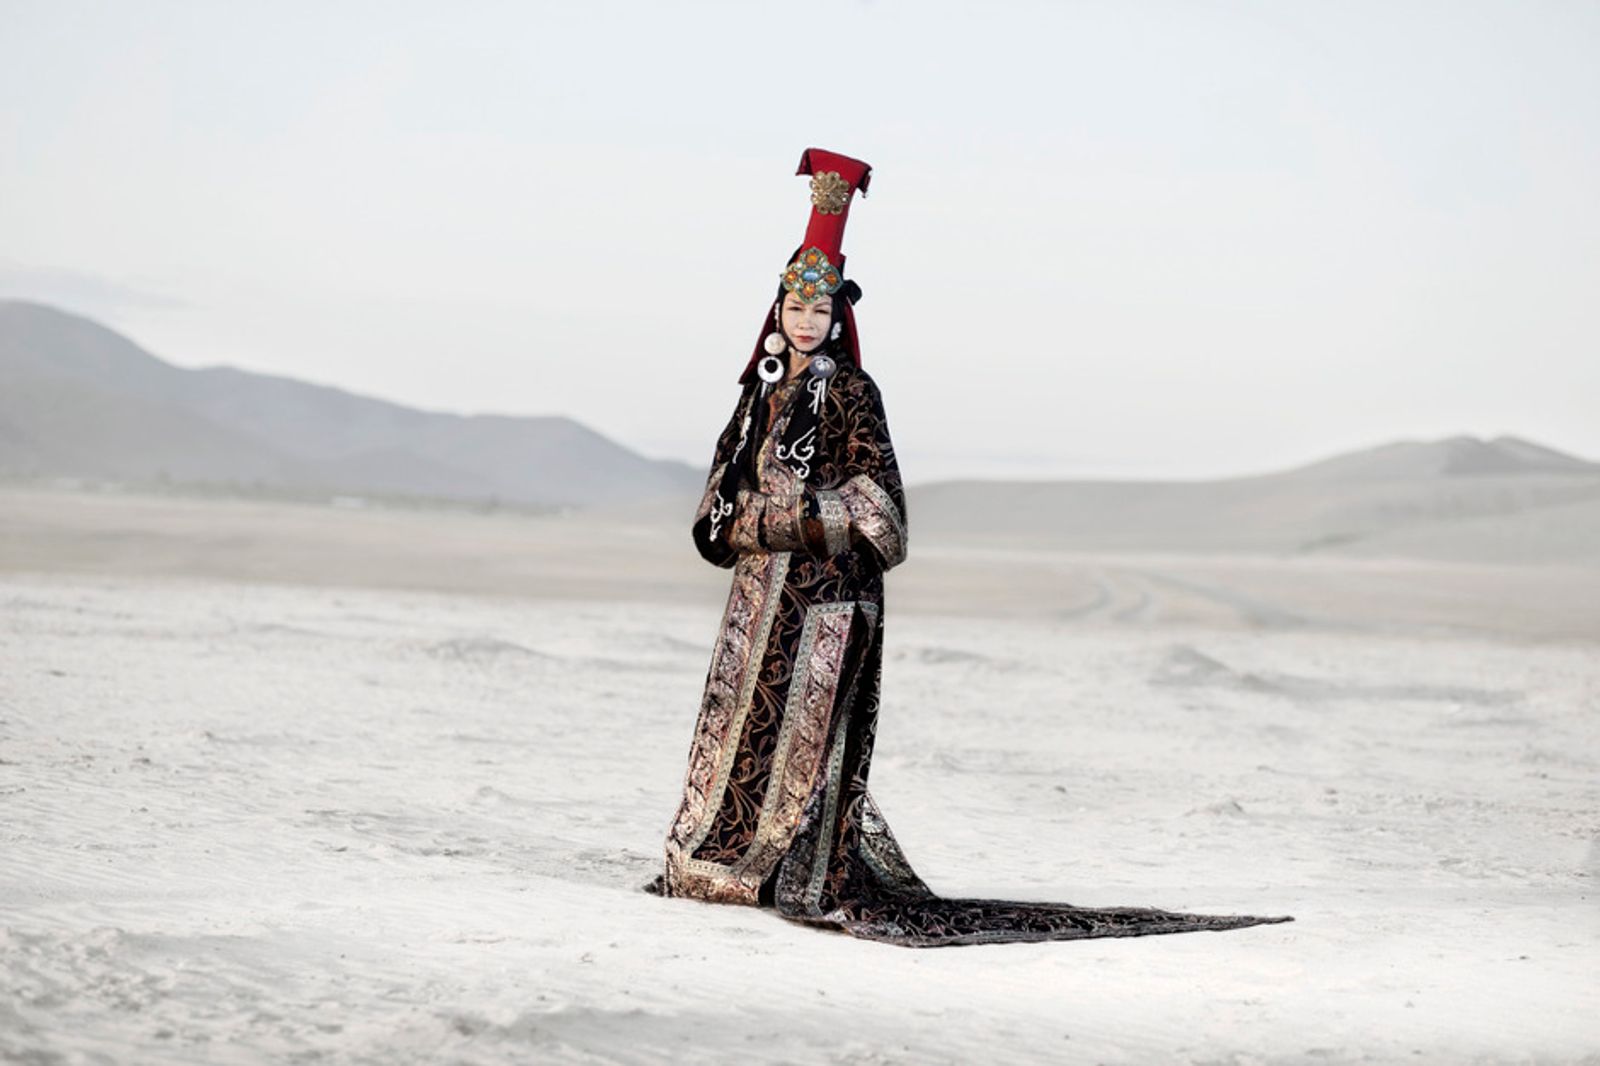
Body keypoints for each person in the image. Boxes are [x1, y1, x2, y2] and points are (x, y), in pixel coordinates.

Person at [643, 148, 1292, 947]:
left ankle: (786, 877)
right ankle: (721, 866)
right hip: (754, 613)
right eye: (793, 309)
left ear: (837, 316)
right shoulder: (757, 398)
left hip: (821, 613)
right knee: (742, 740)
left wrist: (776, 520)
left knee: (808, 754)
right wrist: (747, 522)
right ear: (775, 310)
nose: (804, 322)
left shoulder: (851, 394)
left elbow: (883, 517)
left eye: (819, 311)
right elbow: (712, 522)